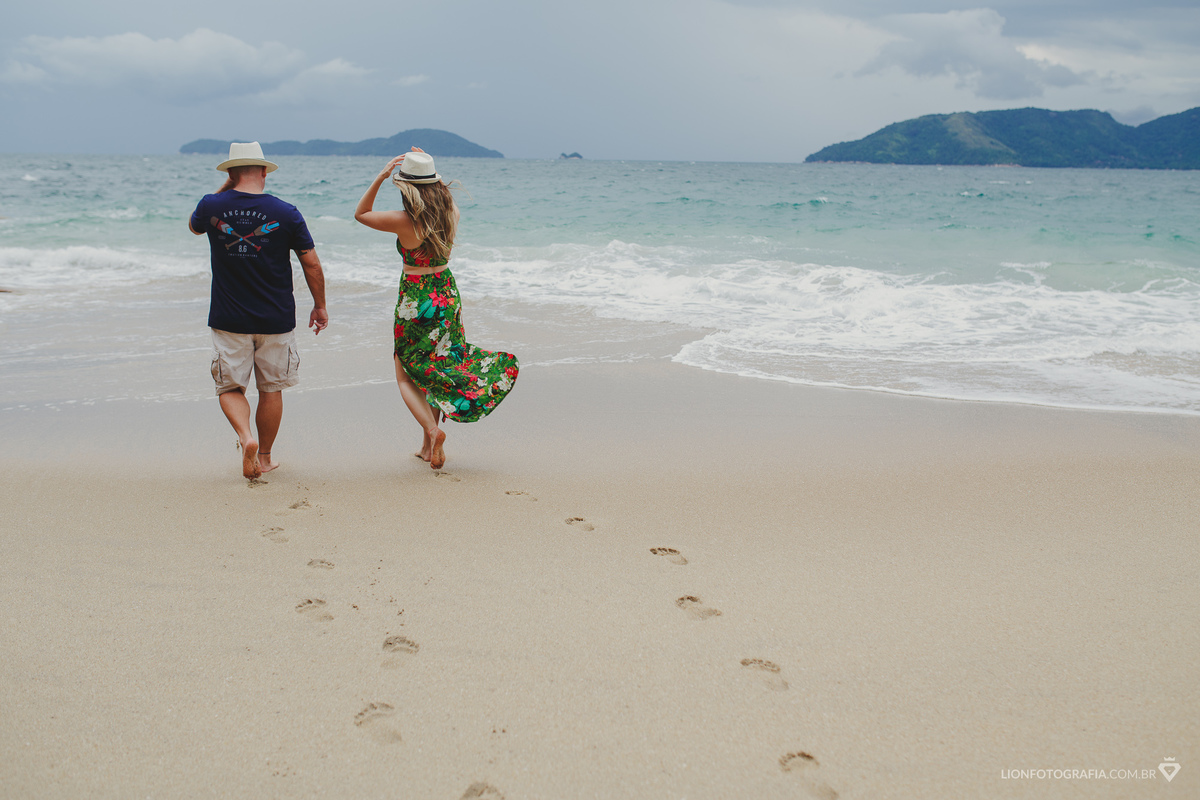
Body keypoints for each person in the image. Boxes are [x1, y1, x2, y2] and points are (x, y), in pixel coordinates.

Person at [354, 147, 518, 470]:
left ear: (407, 188)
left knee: (405, 374)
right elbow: (443, 198)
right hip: (447, 296)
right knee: (438, 367)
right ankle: (427, 447)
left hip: (416, 301)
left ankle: (433, 431)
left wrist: (381, 176)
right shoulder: (450, 215)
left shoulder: (404, 221)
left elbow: (361, 213)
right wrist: (433, 172)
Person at [189, 141, 329, 479]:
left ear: (229, 172)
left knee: (230, 388)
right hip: (276, 318)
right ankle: (264, 457)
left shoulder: (211, 205)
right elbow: (310, 264)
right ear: (264, 172)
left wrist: (225, 190)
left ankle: (245, 437)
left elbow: (195, 226)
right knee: (271, 389)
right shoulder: (287, 212)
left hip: (228, 318)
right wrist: (320, 306)